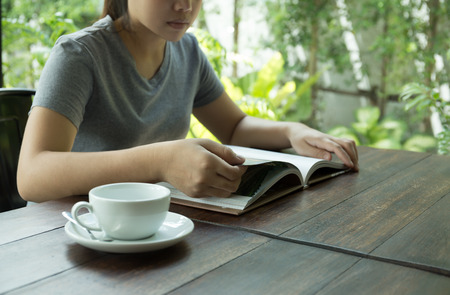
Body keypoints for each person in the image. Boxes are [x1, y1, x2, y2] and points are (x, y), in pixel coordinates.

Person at [17, 0, 358, 203]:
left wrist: (292, 131)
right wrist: (159, 161)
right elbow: (32, 175)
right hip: (80, 232)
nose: (186, 6)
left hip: (157, 225)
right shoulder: (80, 55)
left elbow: (234, 126)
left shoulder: (187, 51)